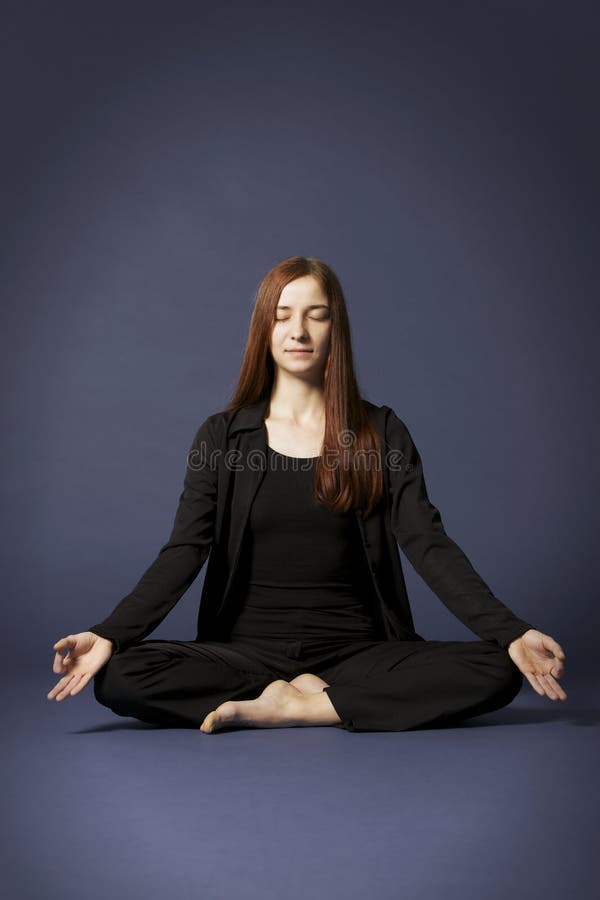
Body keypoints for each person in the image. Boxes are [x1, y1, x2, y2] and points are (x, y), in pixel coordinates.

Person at [47, 256, 567, 733]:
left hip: (357, 652)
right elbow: (185, 550)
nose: (298, 331)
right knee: (119, 674)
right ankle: (292, 695)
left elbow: (426, 542)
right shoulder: (222, 437)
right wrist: (111, 633)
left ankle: (308, 705)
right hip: (245, 653)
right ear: (264, 329)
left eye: (316, 315)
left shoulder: (381, 432)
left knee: (496, 668)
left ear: (334, 328)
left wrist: (511, 631)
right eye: (282, 315)